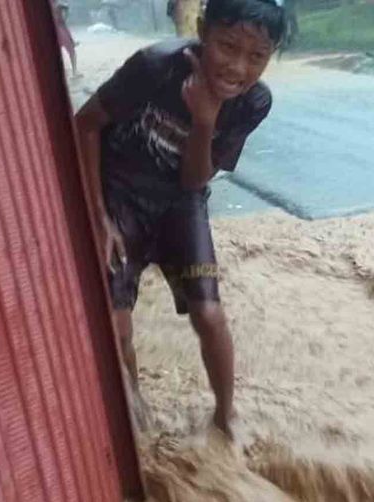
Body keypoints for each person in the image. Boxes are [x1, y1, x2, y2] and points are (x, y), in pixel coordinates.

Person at [74, 0, 285, 437]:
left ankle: (226, 418)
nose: (237, 67)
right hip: (120, 195)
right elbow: (85, 124)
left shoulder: (253, 103)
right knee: (117, 325)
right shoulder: (156, 67)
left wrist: (205, 120)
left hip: (180, 203)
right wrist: (97, 214)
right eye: (227, 46)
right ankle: (136, 414)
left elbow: (194, 182)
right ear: (203, 31)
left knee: (209, 315)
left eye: (256, 57)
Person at [53, 1, 79, 78]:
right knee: (71, 51)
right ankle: (74, 71)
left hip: (59, 27)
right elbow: (64, 7)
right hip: (60, 28)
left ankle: (71, 71)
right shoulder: (56, 4)